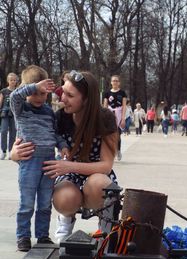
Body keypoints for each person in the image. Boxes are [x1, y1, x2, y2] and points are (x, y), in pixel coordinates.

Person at [11, 70, 119, 245]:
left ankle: (105, 225)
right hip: (68, 176)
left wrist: (70, 166)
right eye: (62, 92)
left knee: (100, 185)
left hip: (96, 174)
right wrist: (14, 154)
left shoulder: (104, 118)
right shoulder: (60, 117)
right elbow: (37, 139)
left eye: (70, 95)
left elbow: (106, 165)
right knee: (65, 197)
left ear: (86, 100)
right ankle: (65, 220)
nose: (62, 99)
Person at [10, 65, 69, 251]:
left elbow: (55, 133)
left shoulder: (49, 112)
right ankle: (23, 236)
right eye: (35, 93)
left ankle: (43, 236)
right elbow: (14, 96)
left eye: (43, 94)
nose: (39, 97)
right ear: (27, 90)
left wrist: (62, 145)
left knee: (45, 202)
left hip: (49, 162)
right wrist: (34, 86)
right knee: (27, 203)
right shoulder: (21, 109)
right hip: (29, 162)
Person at [103, 75, 127, 161]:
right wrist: (104, 117)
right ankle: (110, 152)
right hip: (110, 114)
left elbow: (124, 106)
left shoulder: (122, 93)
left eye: (116, 81)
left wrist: (123, 118)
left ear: (119, 83)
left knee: (117, 134)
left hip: (119, 114)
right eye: (113, 81)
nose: (115, 82)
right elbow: (105, 106)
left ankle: (118, 150)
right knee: (109, 135)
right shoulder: (107, 93)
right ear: (111, 82)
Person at [0, 73, 18, 160]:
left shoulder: (18, 91)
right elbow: (0, 102)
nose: (13, 82)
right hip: (5, 113)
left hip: (14, 113)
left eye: (14, 80)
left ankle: (11, 151)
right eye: (11, 80)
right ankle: (3, 151)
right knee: (3, 131)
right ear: (8, 81)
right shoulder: (3, 91)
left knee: (13, 132)